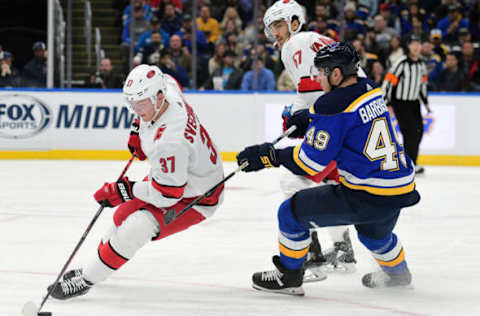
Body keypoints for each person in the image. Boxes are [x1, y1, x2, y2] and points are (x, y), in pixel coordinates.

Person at [236, 42, 420, 295]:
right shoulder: (370, 88)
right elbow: (347, 112)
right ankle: (399, 274)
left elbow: (310, 162)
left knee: (289, 214)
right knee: (374, 236)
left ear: (336, 74)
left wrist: (268, 156)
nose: (317, 77)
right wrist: (311, 116)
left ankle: (289, 276)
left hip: (366, 194)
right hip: (400, 188)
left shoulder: (332, 106)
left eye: (321, 72)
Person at [47, 64, 224, 300]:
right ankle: (99, 263)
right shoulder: (166, 92)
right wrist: (136, 129)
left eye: (141, 104)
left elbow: (168, 195)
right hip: (181, 176)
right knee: (121, 216)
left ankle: (88, 278)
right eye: (132, 104)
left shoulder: (169, 141)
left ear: (158, 97)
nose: (136, 109)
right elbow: (170, 78)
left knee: (136, 227)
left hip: (199, 196)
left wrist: (124, 190)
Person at [263, 0, 362, 280]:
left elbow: (314, 93)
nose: (276, 33)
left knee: (292, 181)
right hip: (355, 123)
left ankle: (311, 258)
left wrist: (300, 115)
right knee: (331, 183)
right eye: (272, 28)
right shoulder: (315, 41)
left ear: (295, 22)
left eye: (279, 25)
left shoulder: (296, 45)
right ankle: (344, 252)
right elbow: (315, 90)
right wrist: (297, 113)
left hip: (342, 125)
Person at [382, 34, 431, 175]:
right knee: (409, 132)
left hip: (414, 103)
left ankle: (411, 161)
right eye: (413, 44)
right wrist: (387, 102)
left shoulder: (421, 64)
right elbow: (388, 82)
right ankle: (410, 164)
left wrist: (426, 103)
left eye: (418, 44)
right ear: (408, 46)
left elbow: (423, 85)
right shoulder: (401, 63)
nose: (416, 47)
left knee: (419, 131)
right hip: (400, 103)